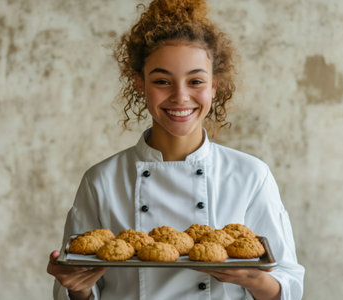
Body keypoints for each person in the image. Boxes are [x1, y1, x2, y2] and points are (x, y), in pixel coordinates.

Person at [47, 0, 305, 299]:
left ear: (214, 86)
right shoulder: (102, 179)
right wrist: (76, 289)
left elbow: (289, 285)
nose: (181, 97)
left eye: (196, 80)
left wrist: (255, 281)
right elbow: (75, 286)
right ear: (140, 84)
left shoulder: (251, 175)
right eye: (162, 81)